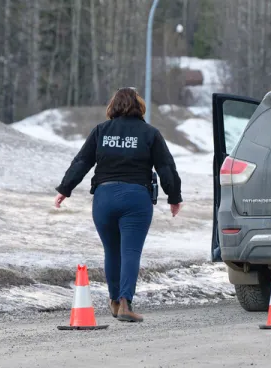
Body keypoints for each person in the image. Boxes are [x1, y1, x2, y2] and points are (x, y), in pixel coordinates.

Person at [53, 87, 183, 323]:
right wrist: (173, 197)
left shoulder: (101, 131)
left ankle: (114, 302)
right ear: (139, 106)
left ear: (112, 106)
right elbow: (166, 168)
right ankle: (125, 303)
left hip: (104, 198)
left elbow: (81, 162)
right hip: (136, 198)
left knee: (112, 251)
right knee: (130, 251)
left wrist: (65, 189)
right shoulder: (149, 133)